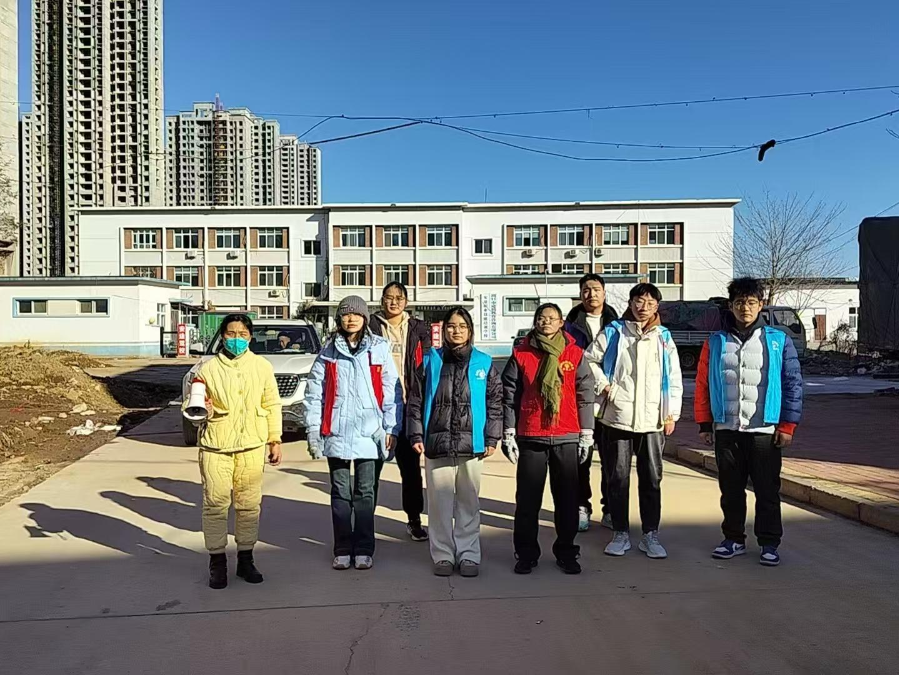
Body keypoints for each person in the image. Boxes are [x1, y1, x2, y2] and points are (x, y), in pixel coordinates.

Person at [694, 277, 802, 567]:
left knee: (767, 490)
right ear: (731, 306)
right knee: (730, 489)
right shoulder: (715, 342)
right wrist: (704, 423)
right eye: (739, 302)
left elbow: (792, 384)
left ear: (761, 305)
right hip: (727, 428)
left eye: (751, 302)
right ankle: (733, 539)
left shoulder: (778, 341)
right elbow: (703, 383)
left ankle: (769, 543)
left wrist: (787, 425)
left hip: (764, 430)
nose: (745, 308)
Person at [304, 295, 402, 571]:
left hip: (370, 432)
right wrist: (313, 429)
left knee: (365, 492)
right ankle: (342, 548)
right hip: (336, 431)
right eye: (346, 315)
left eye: (356, 314)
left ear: (365, 318)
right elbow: (314, 394)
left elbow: (391, 391)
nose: (351, 319)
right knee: (340, 492)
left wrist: (391, 427)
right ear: (339, 319)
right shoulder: (328, 352)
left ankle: (364, 548)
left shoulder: (378, 348)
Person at [184, 313, 283, 589]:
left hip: (252, 445)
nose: (236, 339)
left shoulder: (262, 367)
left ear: (250, 337)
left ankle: (246, 559)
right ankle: (217, 562)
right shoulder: (206, 369)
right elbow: (191, 406)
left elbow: (272, 403)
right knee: (215, 504)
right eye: (231, 334)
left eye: (242, 334)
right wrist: (203, 409)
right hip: (216, 445)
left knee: (249, 504)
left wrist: (274, 439)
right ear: (222, 336)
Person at [586, 283, 682, 560]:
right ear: (630, 303)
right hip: (617, 417)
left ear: (657, 307)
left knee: (651, 478)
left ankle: (650, 534)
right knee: (617, 478)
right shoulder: (615, 331)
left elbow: (674, 377)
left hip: (653, 420)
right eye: (639, 301)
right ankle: (620, 533)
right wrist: (606, 387)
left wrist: (671, 413)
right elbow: (588, 360)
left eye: (650, 303)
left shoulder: (663, 337)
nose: (644, 307)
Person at [406, 307, 502, 577]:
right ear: (443, 329)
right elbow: (415, 400)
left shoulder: (484, 362)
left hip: (473, 444)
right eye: (451, 326)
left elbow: (495, 402)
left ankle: (469, 554)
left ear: (470, 331)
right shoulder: (430, 360)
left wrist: (492, 437)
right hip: (436, 442)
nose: (456, 330)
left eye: (462, 326)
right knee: (439, 503)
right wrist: (416, 434)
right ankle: (443, 555)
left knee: (469, 502)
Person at [502, 303, 595, 575]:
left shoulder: (574, 353)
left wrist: (587, 432)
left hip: (566, 434)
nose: (546, 322)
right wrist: (509, 431)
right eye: (541, 318)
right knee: (528, 501)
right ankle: (526, 553)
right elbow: (510, 394)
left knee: (567, 500)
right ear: (535, 322)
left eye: (552, 318)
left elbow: (585, 393)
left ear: (561, 322)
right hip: (532, 434)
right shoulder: (521, 353)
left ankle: (566, 551)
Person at [369, 281, 432, 541]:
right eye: (388, 297)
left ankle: (414, 519)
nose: (393, 302)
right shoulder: (370, 326)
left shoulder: (419, 328)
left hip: (409, 407)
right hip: (377, 408)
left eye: (399, 297)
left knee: (411, 470)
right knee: (370, 468)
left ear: (406, 301)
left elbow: (429, 363)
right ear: (381, 300)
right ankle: (364, 522)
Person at [565, 273, 620, 533]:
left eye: (596, 289)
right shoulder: (569, 326)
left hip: (612, 401)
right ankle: (581, 507)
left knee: (612, 461)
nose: (591, 294)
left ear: (604, 292)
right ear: (580, 294)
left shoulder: (619, 324)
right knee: (581, 459)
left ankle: (610, 508)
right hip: (580, 401)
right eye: (586, 290)